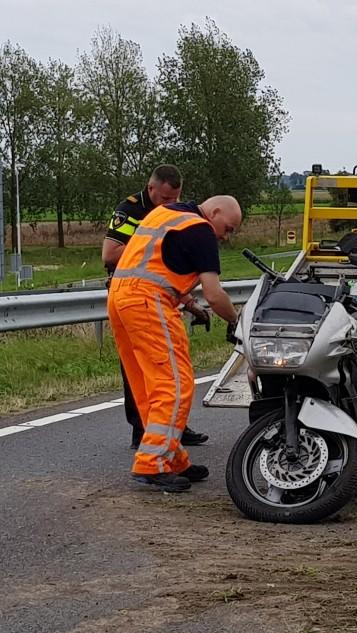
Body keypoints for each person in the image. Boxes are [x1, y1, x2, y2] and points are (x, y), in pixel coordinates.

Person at [107, 195, 242, 492]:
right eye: (228, 228)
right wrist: (237, 321)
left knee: (147, 386)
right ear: (215, 212)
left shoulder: (165, 213)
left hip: (120, 297)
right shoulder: (201, 229)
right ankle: (152, 462)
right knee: (175, 384)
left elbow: (154, 261)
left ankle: (172, 457)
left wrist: (187, 303)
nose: (225, 236)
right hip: (148, 302)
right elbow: (215, 294)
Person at [103, 164, 208, 448]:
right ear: (151, 189)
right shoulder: (131, 210)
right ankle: (141, 430)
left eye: (175, 199)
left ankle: (174, 426)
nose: (170, 205)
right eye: (164, 200)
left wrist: (188, 301)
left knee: (170, 369)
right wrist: (151, 239)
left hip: (160, 296)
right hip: (131, 296)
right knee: (138, 368)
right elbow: (111, 253)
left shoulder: (175, 212)